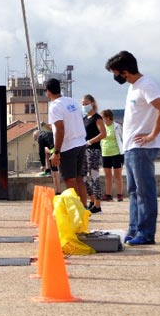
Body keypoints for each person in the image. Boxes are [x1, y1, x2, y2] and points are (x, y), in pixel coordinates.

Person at [104, 50, 160, 246]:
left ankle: (146, 232)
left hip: (142, 148)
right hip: (131, 147)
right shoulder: (133, 87)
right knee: (133, 191)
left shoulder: (146, 84)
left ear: (124, 71)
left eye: (116, 73)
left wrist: (152, 135)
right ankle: (134, 229)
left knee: (144, 191)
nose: (116, 77)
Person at [45, 78, 88, 207]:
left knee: (70, 180)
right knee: (79, 178)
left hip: (68, 146)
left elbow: (60, 128)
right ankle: (84, 207)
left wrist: (56, 151)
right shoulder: (72, 101)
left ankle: (77, 211)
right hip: (80, 142)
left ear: (48, 92)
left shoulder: (55, 106)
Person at [81, 94, 107, 214]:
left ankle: (97, 205)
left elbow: (103, 133)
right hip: (84, 151)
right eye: (83, 104)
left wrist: (90, 141)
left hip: (94, 150)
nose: (84, 106)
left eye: (86, 104)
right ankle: (92, 200)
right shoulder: (85, 118)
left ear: (92, 103)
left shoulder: (97, 118)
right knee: (83, 177)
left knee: (94, 177)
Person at [99, 109, 125, 202]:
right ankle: (108, 194)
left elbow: (123, 138)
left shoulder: (117, 126)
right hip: (105, 153)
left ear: (108, 117)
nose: (101, 120)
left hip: (116, 153)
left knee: (117, 175)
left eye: (103, 118)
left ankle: (119, 194)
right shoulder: (101, 127)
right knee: (107, 175)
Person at [33, 128, 62, 194]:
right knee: (46, 149)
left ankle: (58, 192)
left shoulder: (40, 137)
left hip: (54, 151)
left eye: (35, 139)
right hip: (60, 148)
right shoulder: (47, 133)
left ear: (36, 136)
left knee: (55, 172)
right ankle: (48, 170)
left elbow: (41, 152)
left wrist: (43, 165)